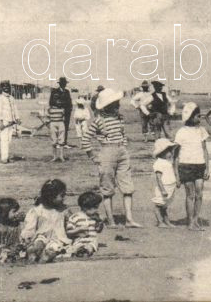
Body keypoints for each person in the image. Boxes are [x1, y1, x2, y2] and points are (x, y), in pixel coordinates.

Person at [82, 88, 142, 228]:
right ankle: (111, 221)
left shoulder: (120, 118)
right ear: (108, 106)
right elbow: (85, 139)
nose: (118, 106)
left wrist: (124, 147)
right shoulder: (99, 121)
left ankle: (129, 219)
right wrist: (92, 156)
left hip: (122, 152)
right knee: (107, 188)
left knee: (127, 187)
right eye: (115, 104)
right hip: (106, 153)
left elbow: (123, 134)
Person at [175, 103, 210, 230]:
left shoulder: (202, 131)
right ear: (190, 117)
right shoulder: (181, 132)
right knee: (190, 194)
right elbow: (176, 154)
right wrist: (177, 174)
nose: (200, 118)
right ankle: (190, 221)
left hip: (200, 165)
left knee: (199, 193)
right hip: (185, 165)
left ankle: (195, 220)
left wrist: (207, 168)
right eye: (197, 116)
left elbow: (205, 150)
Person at [21, 179, 72, 263]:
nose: (63, 198)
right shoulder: (38, 210)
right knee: (40, 241)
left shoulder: (63, 210)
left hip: (57, 238)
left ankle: (45, 255)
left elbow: (70, 224)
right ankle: (34, 252)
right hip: (44, 236)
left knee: (54, 246)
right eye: (62, 195)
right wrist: (27, 237)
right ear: (51, 196)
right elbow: (30, 226)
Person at [65, 191, 105, 257]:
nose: (96, 210)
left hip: (91, 240)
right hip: (78, 240)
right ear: (85, 207)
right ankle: (80, 251)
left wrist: (100, 223)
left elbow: (98, 230)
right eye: (95, 208)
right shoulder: (75, 217)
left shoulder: (95, 217)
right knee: (77, 246)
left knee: (90, 246)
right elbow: (68, 232)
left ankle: (86, 251)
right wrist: (78, 230)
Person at [151, 138, 180, 228]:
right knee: (158, 205)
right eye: (168, 151)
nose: (171, 153)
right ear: (162, 152)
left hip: (170, 186)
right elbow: (158, 178)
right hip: (163, 187)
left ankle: (167, 221)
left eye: (171, 150)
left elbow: (172, 172)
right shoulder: (159, 163)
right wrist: (162, 190)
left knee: (164, 206)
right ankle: (160, 222)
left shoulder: (167, 162)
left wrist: (177, 180)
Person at [0, 81, 20, 164]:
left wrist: (17, 118)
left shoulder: (11, 98)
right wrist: (0, 123)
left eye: (8, 86)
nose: (6, 88)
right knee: (4, 140)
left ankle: (7, 157)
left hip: (11, 123)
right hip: (4, 122)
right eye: (4, 86)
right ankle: (4, 158)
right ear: (1, 88)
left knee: (9, 140)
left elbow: (15, 109)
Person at [52, 77, 73, 147]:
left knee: (65, 127)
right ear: (60, 84)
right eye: (63, 83)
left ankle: (64, 142)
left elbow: (69, 101)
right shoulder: (55, 91)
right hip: (58, 113)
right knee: (58, 128)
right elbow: (52, 102)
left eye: (65, 83)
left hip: (67, 112)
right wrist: (61, 105)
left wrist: (70, 109)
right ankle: (57, 143)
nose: (64, 85)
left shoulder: (67, 92)